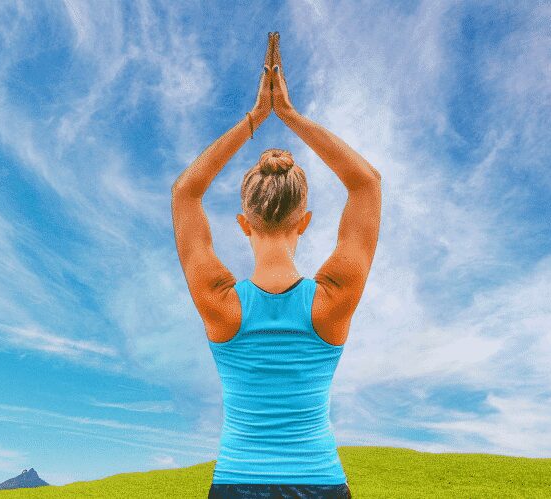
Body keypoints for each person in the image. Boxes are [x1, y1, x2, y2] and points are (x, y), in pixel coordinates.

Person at [171, 31, 381, 499]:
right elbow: (365, 185)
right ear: (303, 221)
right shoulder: (331, 302)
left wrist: (255, 119)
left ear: (244, 223)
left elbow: (185, 192)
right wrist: (288, 114)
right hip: (321, 483)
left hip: (236, 484)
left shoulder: (221, 305)